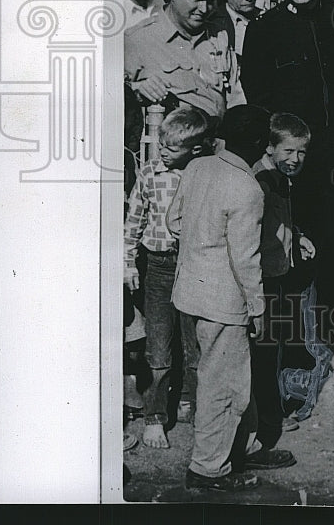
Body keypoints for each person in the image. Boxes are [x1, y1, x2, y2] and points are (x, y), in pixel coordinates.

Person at [242, 0, 334, 353]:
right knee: (285, 243)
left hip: (332, 153)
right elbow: (256, 93)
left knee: (329, 238)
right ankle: (290, 341)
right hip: (288, 159)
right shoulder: (264, 28)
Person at [169, 105, 296, 491]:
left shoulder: (197, 167)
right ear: (260, 143)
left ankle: (242, 446)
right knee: (222, 386)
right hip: (224, 302)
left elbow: (175, 222)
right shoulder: (247, 187)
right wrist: (257, 308)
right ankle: (208, 469)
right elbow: (245, 258)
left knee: (226, 378)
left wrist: (200, 249)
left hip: (190, 292)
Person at [124, 106, 210, 448]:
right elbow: (134, 221)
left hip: (194, 266)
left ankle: (191, 402)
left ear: (195, 150)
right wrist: (129, 262)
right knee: (158, 348)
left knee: (196, 346)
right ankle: (155, 417)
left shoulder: (203, 174)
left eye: (172, 148)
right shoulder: (149, 173)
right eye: (161, 143)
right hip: (158, 267)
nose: (163, 151)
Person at [250, 113, 317, 450]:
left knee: (271, 348)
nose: (296, 159)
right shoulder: (262, 181)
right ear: (270, 147)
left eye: (302, 153)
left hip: (276, 271)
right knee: (263, 352)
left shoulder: (279, 177)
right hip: (262, 277)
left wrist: (298, 237)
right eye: (289, 151)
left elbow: (281, 221)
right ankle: (267, 418)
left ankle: (268, 409)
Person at [124, 0, 240, 122]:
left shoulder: (218, 36)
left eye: (210, 1)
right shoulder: (138, 39)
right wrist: (137, 88)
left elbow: (235, 95)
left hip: (220, 139)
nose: (204, 9)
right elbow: (110, 94)